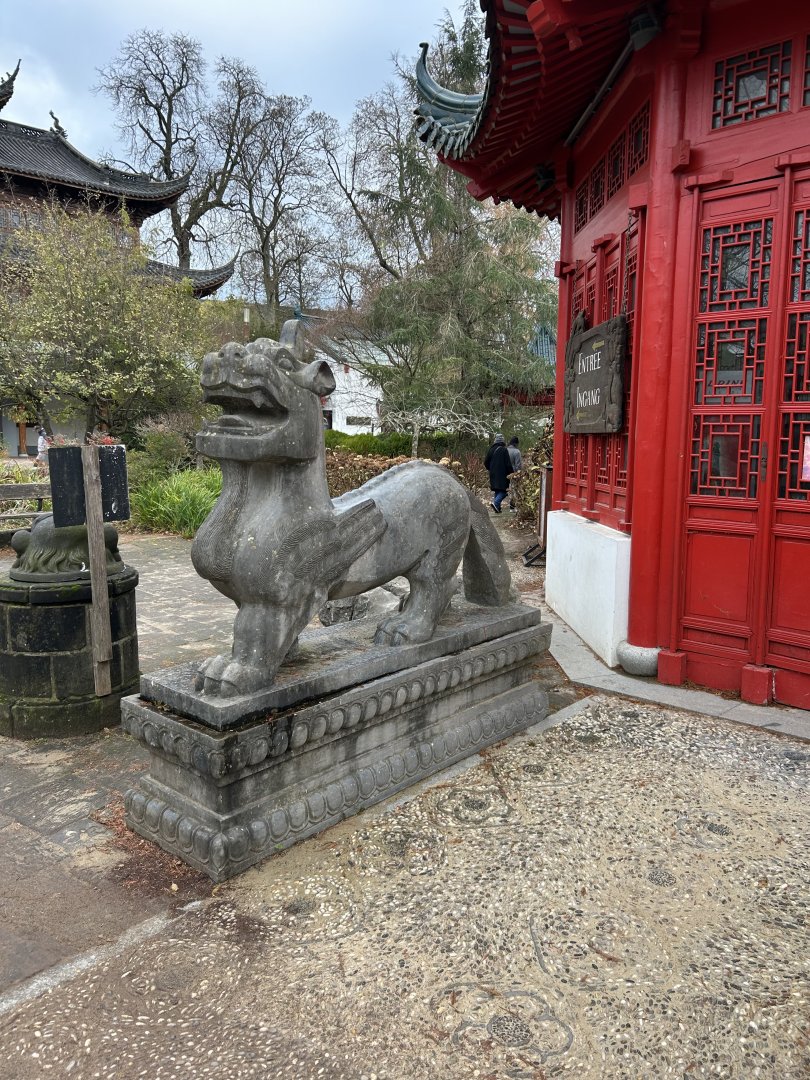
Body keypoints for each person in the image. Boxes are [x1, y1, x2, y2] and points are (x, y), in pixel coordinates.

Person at [484, 433, 513, 513]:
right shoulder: (504, 450)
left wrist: (490, 469)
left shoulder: (491, 450)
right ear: (502, 441)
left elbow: (486, 462)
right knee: (504, 491)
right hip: (503, 474)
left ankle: (497, 508)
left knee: (497, 490)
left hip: (493, 473)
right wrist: (511, 472)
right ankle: (496, 503)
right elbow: (508, 463)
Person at [507, 436, 522, 512]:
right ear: (516, 443)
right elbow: (518, 465)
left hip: (505, 472)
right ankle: (513, 507)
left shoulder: (505, 450)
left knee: (508, 490)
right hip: (513, 473)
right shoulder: (517, 452)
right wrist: (518, 473)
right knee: (514, 490)